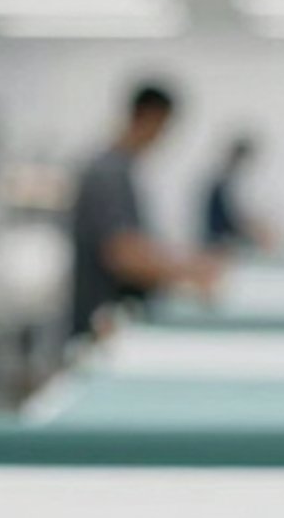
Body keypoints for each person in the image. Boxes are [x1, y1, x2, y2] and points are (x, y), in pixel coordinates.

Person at [70, 81, 221, 338]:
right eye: (164, 127)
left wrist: (186, 261)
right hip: (102, 323)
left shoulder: (119, 170)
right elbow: (124, 255)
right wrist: (189, 271)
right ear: (151, 117)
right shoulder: (108, 174)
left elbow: (135, 243)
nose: (163, 138)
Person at [199, 134, 272, 251]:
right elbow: (229, 221)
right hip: (218, 245)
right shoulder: (222, 185)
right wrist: (254, 231)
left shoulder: (224, 182)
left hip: (220, 241)